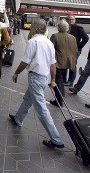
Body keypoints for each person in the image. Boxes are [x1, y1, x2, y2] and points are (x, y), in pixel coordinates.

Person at [9, 19, 64, 148]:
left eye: (32, 27)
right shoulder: (49, 43)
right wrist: (53, 80)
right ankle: (18, 118)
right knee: (28, 99)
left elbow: (24, 62)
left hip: (35, 77)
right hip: (45, 77)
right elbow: (53, 64)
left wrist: (16, 73)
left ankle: (56, 139)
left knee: (42, 110)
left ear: (34, 28)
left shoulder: (33, 41)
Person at [49, 20, 77, 107]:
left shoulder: (55, 36)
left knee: (58, 80)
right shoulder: (72, 37)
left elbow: (50, 49)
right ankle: (61, 96)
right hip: (68, 61)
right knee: (61, 79)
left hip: (58, 61)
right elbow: (75, 49)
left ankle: (59, 100)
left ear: (58, 27)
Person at [63, 15, 89, 86]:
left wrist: (79, 46)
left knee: (72, 65)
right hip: (65, 50)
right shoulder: (65, 27)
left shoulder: (78, 28)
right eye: (69, 19)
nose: (71, 21)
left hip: (74, 50)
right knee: (64, 64)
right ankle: (63, 80)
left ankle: (70, 81)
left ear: (75, 20)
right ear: (67, 20)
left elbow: (85, 38)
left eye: (72, 19)